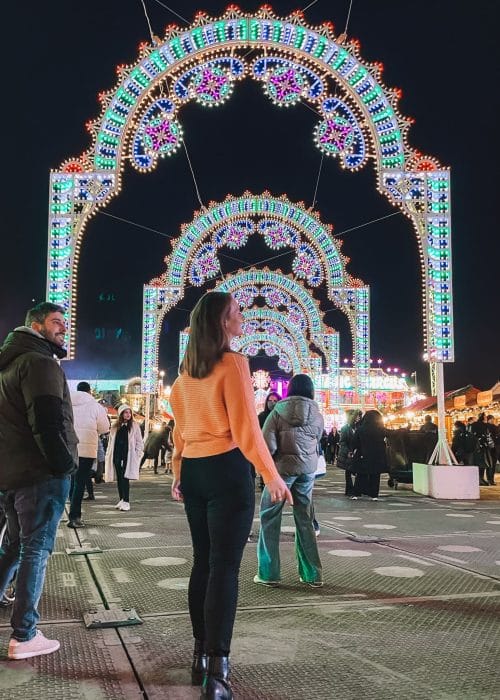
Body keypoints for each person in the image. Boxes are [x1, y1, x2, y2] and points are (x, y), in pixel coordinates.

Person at [169, 292, 292, 700]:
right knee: (224, 569)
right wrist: (271, 475)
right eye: (236, 311)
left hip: (196, 474)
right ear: (222, 321)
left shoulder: (183, 376)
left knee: (202, 563)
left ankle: (200, 658)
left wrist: (177, 473)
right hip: (226, 470)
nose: (242, 316)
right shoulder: (234, 364)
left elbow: (180, 434)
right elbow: (246, 429)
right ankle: (218, 675)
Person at [0, 302, 78, 659]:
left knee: (16, 545)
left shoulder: (10, 364)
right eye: (56, 322)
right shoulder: (40, 363)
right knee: (36, 549)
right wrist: (63, 466)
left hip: (13, 474)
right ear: (35, 325)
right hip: (40, 475)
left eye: (64, 322)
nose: (63, 328)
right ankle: (25, 634)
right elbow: (47, 421)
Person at [257, 373, 324, 589]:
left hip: (281, 472)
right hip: (307, 472)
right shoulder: (317, 414)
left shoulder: (277, 412)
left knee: (269, 517)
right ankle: (312, 574)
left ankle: (269, 573)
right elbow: (318, 440)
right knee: (305, 519)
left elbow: (269, 446)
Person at [68, 381, 109, 527]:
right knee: (80, 482)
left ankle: (69, 513)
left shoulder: (67, 402)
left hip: (69, 447)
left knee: (71, 480)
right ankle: (75, 517)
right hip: (87, 450)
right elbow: (105, 428)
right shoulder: (95, 406)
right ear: (89, 391)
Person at [104, 405, 143, 510]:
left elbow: (139, 442)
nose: (128, 414)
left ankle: (126, 501)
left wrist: (137, 454)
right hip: (117, 455)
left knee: (125, 479)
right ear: (121, 414)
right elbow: (110, 443)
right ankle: (121, 499)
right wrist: (108, 455)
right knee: (119, 479)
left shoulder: (134, 426)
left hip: (128, 456)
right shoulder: (115, 426)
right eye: (125, 412)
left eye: (129, 412)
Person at [351, 410, 390, 500]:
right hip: (377, 456)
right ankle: (374, 495)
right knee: (375, 475)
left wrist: (353, 450)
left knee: (360, 475)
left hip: (363, 455)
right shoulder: (380, 429)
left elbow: (355, 442)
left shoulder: (361, 429)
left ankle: (356, 493)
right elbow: (391, 434)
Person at [337, 409, 362, 497]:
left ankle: (358, 489)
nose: (358, 418)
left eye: (359, 416)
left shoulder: (360, 427)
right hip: (349, 453)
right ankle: (349, 490)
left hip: (358, 453)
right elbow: (342, 442)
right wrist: (348, 451)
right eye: (357, 416)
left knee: (358, 471)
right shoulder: (345, 428)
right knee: (348, 472)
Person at [471, 412, 495, 486]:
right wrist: (491, 445)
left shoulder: (473, 425)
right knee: (484, 463)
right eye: (485, 417)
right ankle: (481, 478)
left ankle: (478, 478)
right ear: (483, 417)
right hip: (483, 447)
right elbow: (488, 436)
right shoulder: (485, 425)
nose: (486, 418)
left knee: (477, 463)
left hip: (475, 447)